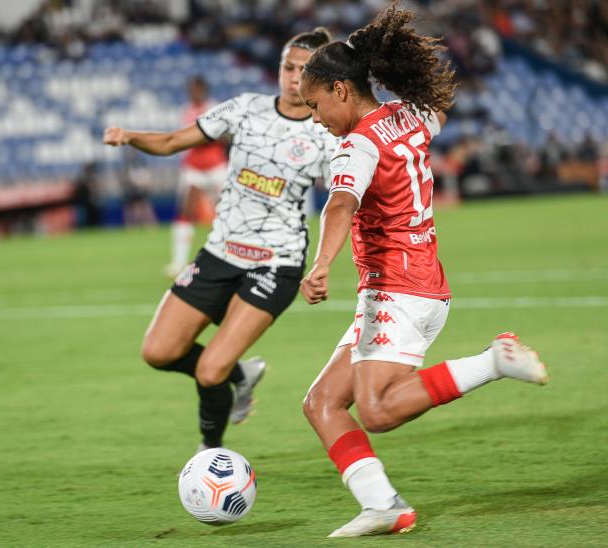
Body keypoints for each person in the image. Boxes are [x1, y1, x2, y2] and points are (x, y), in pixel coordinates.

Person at [297, 3, 548, 538]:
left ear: (341, 90)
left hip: (397, 288)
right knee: (322, 402)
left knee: (379, 411)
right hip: (416, 285)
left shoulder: (357, 145)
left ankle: (493, 362)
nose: (315, 117)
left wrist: (320, 266)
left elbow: (339, 206)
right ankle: (383, 504)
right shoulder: (409, 115)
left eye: (315, 104)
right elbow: (439, 107)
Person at [103, 28, 340, 451]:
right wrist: (132, 136)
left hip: (275, 263)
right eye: (288, 67)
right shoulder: (246, 108)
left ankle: (210, 454)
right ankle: (240, 375)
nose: (293, 77)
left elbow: (343, 200)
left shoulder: (325, 133)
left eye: (305, 70)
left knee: (210, 369)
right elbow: (176, 140)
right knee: (158, 351)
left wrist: (323, 263)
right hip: (220, 253)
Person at [165, 75, 229, 277]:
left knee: (227, 211)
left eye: (196, 88)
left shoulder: (216, 108)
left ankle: (230, 256)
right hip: (193, 167)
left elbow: (225, 135)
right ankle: (178, 262)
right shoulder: (185, 111)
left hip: (216, 166)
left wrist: (205, 136)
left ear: (204, 89)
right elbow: (187, 139)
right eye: (190, 89)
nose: (193, 92)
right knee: (185, 212)